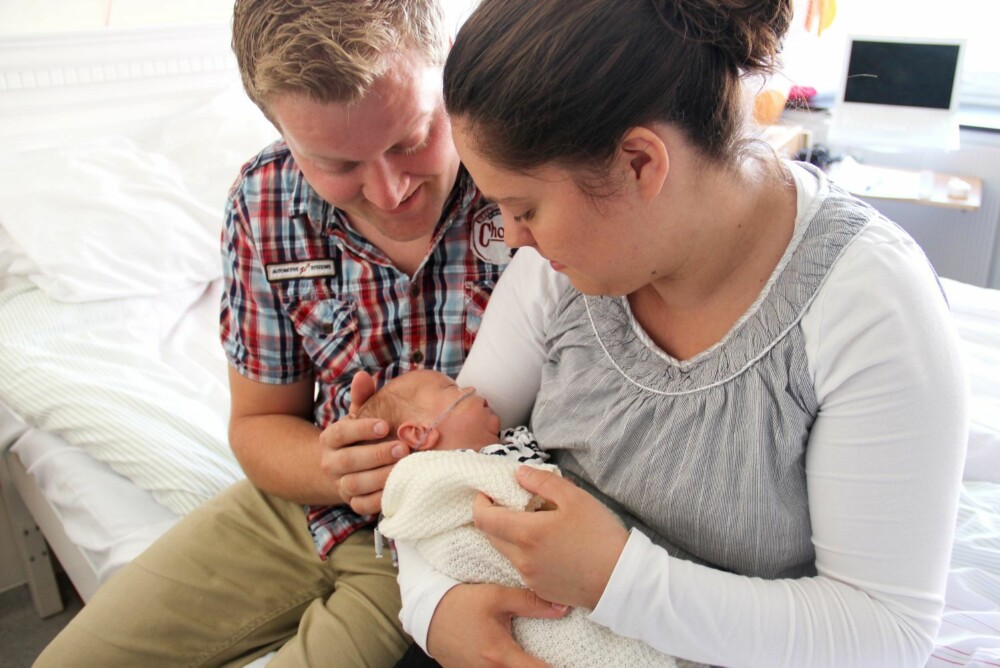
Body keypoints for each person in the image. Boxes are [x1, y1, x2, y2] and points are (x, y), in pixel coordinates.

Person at [378, 0, 970, 666]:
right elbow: (445, 477)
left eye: (525, 209)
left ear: (638, 163)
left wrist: (615, 580)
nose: (513, 238)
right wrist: (434, 610)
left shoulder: (868, 306)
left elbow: (887, 635)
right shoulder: (556, 276)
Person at [34, 1, 522, 666]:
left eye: (409, 139)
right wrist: (336, 466)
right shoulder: (264, 204)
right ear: (281, 135)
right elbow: (259, 423)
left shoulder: (526, 177)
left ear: (447, 73)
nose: (388, 190)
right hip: (302, 509)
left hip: (447, 536)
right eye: (337, 163)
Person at [358, 368, 678, 668]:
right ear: (419, 433)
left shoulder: (508, 446)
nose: (470, 388)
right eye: (451, 388)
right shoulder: (442, 478)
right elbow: (498, 512)